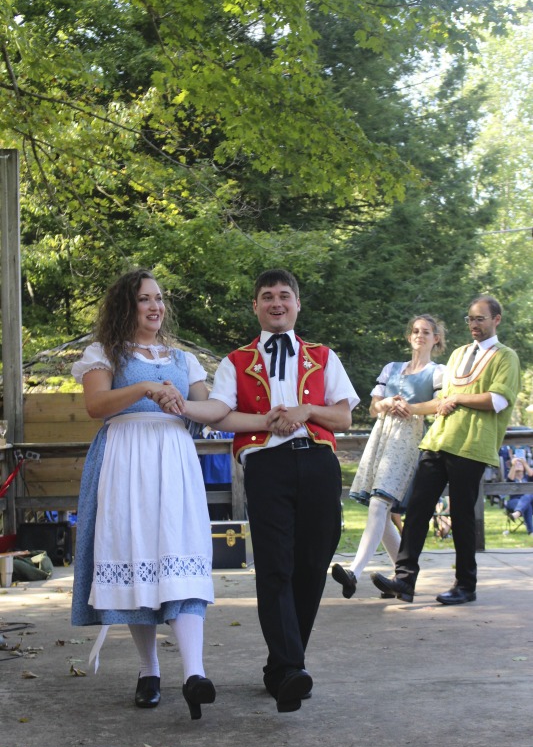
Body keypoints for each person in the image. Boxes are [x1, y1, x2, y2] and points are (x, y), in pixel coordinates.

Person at [153, 268, 359, 712]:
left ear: (297, 304)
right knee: (274, 566)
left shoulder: (323, 356)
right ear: (256, 306)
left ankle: (282, 668)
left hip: (318, 461)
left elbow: (343, 419)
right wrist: (189, 405)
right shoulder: (235, 361)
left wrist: (305, 410)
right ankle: (288, 670)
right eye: (267, 296)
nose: (276, 303)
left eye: (284, 295)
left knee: (311, 563)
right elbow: (222, 414)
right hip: (266, 464)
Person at [70, 268, 216, 720]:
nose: (155, 306)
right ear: (125, 307)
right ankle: (149, 669)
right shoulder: (104, 352)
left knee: (183, 552)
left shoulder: (182, 358)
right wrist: (146, 388)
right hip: (124, 458)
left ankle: (195, 675)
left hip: (173, 457)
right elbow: (96, 406)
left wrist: (184, 405)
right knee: (136, 555)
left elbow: (211, 408)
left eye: (159, 298)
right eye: (144, 299)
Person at [371, 295, 521, 605]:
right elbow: (442, 402)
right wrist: (410, 408)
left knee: (463, 517)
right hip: (438, 441)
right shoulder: (458, 355)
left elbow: (497, 400)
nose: (474, 324)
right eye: (470, 319)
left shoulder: (506, 357)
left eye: (480, 318)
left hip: (472, 445)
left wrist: (461, 399)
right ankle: (404, 580)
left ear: (496, 320)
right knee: (417, 511)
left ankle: (465, 585)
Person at [331, 315, 446, 599]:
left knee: (379, 503)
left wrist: (411, 407)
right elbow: (373, 407)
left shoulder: (438, 371)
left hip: (410, 439)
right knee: (378, 507)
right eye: (416, 331)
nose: (420, 335)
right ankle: (402, 580)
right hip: (383, 436)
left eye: (427, 332)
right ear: (409, 337)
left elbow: (441, 404)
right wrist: (386, 403)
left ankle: (353, 573)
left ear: (436, 339)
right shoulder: (392, 368)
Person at [504, 456, 533, 534]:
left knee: (528, 497)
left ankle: (517, 513)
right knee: (527, 504)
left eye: (520, 464)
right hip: (514, 501)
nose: (518, 464)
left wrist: (524, 463)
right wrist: (513, 465)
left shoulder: (528, 478)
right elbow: (509, 479)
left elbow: (531, 474)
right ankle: (531, 532)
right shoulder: (512, 478)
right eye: (517, 464)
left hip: (528, 501)